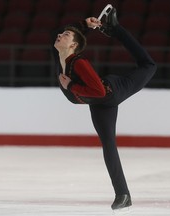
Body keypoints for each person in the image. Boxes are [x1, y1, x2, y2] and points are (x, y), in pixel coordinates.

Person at [52, 8, 156, 210]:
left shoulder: (79, 62)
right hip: (98, 104)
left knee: (149, 66)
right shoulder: (59, 56)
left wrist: (71, 86)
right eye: (60, 34)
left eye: (65, 35)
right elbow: (59, 36)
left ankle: (116, 30)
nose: (59, 35)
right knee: (109, 145)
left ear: (73, 45)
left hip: (112, 92)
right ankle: (123, 195)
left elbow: (99, 92)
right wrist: (85, 24)